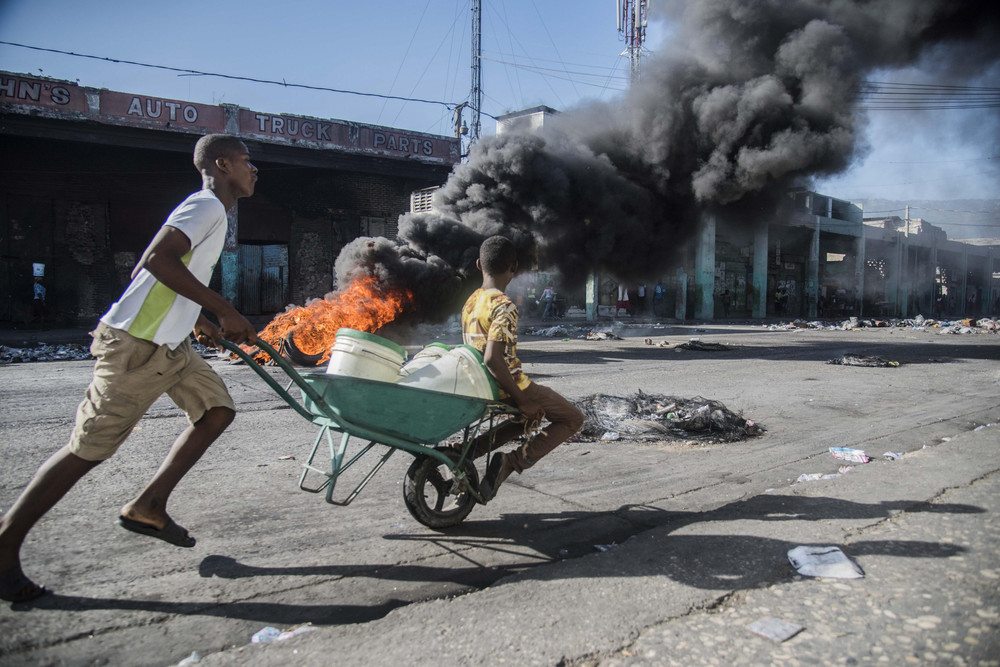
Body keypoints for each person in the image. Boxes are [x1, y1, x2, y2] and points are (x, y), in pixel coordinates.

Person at [0, 134, 259, 603]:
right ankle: (2, 548)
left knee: (217, 410)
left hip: (170, 346)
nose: (254, 169)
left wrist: (198, 319)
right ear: (222, 165)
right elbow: (156, 260)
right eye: (246, 161)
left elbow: (173, 275)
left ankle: (148, 505)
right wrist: (223, 309)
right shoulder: (206, 207)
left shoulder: (212, 212)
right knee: (88, 449)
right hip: (137, 345)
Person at [461, 236, 584, 501]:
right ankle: (511, 462)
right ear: (514, 267)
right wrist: (522, 400)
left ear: (479, 264)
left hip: (481, 384)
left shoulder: (471, 301)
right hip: (507, 386)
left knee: (531, 417)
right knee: (573, 418)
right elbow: (493, 359)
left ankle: (470, 451)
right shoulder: (503, 305)